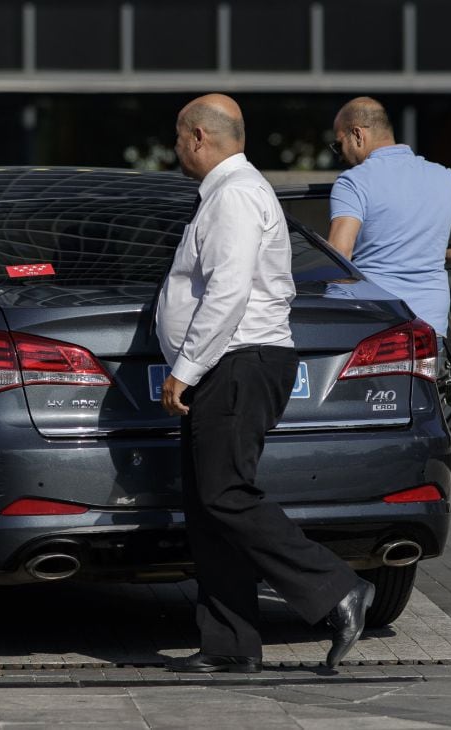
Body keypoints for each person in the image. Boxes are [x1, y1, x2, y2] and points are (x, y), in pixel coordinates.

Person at [156, 94, 375, 674]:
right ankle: (229, 646)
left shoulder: (233, 196)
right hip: (232, 361)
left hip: (238, 360)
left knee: (224, 494)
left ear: (199, 137)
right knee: (210, 505)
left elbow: (227, 291)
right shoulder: (231, 194)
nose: (176, 148)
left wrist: (186, 366)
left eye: (179, 137)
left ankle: (337, 588)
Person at [327, 96, 451, 342]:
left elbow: (339, 256)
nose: (340, 155)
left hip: (373, 330)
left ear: (357, 134)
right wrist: (430, 252)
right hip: (429, 330)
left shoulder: (354, 182)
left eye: (338, 145)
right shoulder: (445, 178)